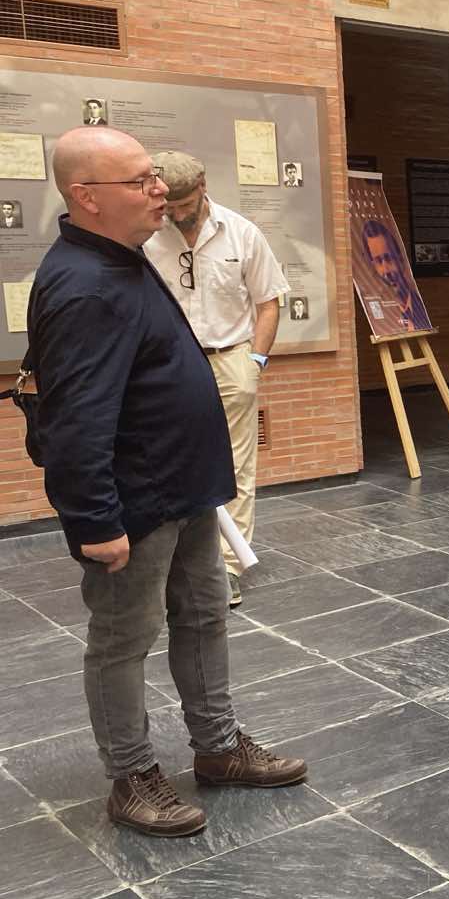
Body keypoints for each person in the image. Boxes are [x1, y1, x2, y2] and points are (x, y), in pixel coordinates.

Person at [28, 127, 307, 838]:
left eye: (155, 177)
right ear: (88, 197)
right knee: (123, 639)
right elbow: (77, 418)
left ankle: (218, 747)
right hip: (137, 500)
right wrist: (95, 521)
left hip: (187, 487)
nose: (159, 191)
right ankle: (132, 777)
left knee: (205, 615)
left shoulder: (122, 256)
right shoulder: (86, 286)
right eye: (140, 181)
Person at [146, 151, 288, 607]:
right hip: (168, 366)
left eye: (185, 204)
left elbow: (268, 301)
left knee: (236, 466)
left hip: (230, 360)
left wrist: (255, 361)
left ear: (203, 186)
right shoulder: (146, 236)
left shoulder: (242, 232)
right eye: (169, 206)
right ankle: (175, 563)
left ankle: (228, 566)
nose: (177, 214)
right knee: (168, 461)